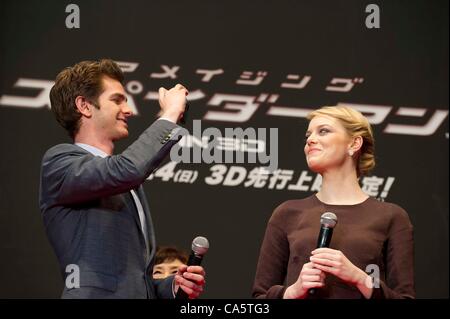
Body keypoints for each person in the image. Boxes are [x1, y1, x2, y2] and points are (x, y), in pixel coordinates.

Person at [39, 59, 205, 299]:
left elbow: (135, 279)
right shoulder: (58, 163)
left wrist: (171, 287)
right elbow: (127, 170)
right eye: (117, 100)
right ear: (84, 106)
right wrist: (169, 114)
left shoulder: (125, 183)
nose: (129, 110)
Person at [252, 106, 414, 299]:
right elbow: (259, 298)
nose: (310, 140)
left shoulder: (391, 217)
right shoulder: (287, 213)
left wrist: (359, 278)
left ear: (354, 143)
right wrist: (292, 291)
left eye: (323, 131)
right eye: (308, 135)